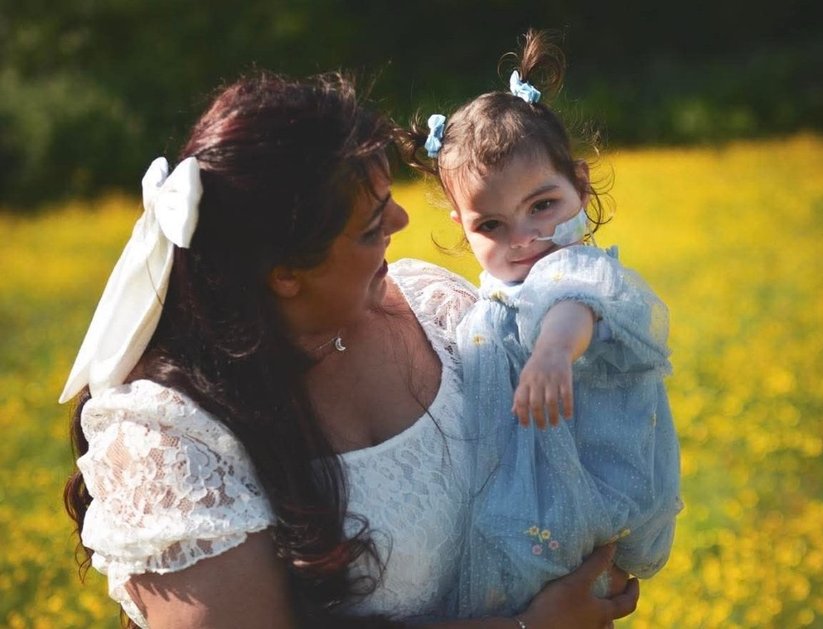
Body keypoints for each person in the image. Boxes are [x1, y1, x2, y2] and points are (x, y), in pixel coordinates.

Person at [60, 69, 640, 629]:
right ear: (287, 274)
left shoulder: (436, 306)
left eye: (389, 194)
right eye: (369, 225)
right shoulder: (173, 434)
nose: (403, 218)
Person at [401, 30, 682, 620]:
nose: (524, 238)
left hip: (585, 516)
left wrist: (554, 351)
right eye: (492, 225)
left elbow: (571, 302)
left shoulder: (576, 269)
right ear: (462, 224)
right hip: (527, 525)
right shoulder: (493, 300)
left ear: (579, 186)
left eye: (543, 205)